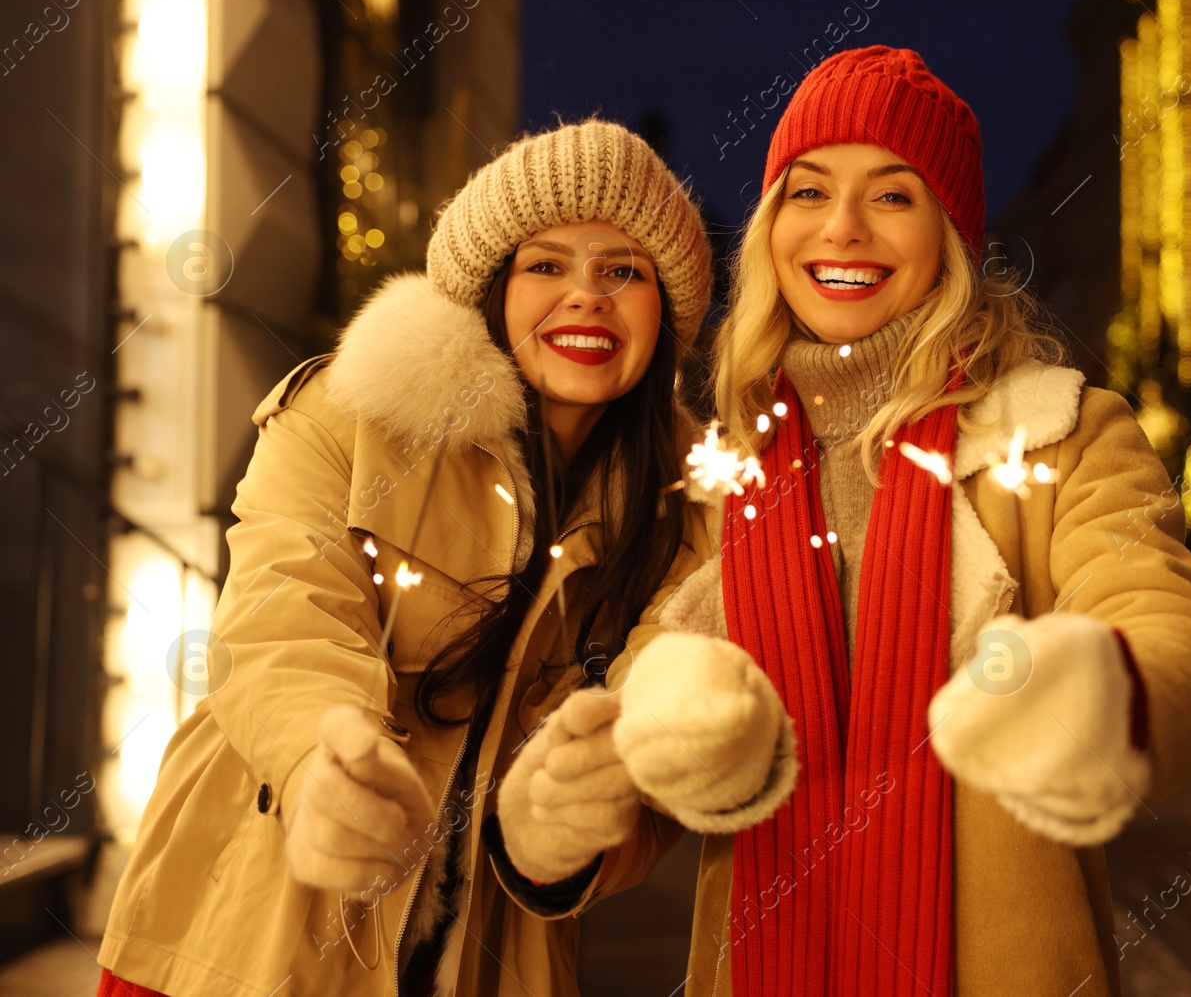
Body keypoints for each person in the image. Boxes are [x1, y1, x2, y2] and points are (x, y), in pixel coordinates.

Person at [596, 46, 1191, 997]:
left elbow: (1164, 618)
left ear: (949, 232)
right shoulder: (730, 460)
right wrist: (657, 705)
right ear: (773, 225)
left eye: (892, 197)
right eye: (808, 193)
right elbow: (658, 653)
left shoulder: (1061, 433)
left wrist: (1105, 692)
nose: (843, 229)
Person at [95, 120, 726, 996]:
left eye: (623, 269)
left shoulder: (688, 517)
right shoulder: (354, 412)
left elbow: (657, 725)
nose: (586, 294)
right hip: (250, 922)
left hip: (489, 953)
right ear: (492, 287)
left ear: (670, 310)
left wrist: (568, 829)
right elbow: (281, 611)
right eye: (545, 264)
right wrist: (323, 759)